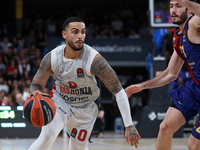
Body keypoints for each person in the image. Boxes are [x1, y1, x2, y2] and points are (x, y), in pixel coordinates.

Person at [27, 17, 140, 150]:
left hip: (86, 106)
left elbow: (119, 91)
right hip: (61, 100)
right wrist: (35, 92)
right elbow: (36, 84)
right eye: (75, 32)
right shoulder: (52, 57)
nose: (80, 36)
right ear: (64, 34)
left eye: (83, 32)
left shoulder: (94, 60)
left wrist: (129, 125)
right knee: (47, 136)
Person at [125, 0, 200, 149]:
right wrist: (142, 86)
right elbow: (170, 74)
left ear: (190, 10)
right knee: (165, 127)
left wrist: (185, 1)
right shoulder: (178, 37)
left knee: (194, 144)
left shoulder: (194, 23)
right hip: (195, 86)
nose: (173, 10)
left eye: (178, 6)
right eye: (171, 6)